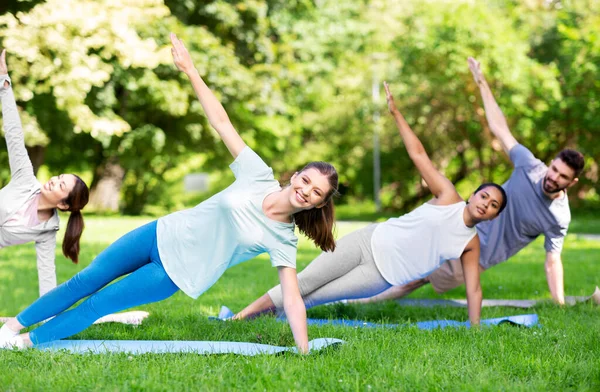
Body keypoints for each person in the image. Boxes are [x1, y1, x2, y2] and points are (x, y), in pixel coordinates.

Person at [0, 34, 339, 353]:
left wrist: (304, 348)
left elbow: (292, 298)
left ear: (321, 203)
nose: (306, 191)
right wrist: (191, 71)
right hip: (157, 233)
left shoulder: (283, 238)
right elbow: (222, 123)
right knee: (83, 281)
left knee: (99, 303)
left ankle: (28, 343)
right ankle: (12, 327)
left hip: (173, 272)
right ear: (295, 175)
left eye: (316, 192)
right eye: (306, 180)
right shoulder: (258, 174)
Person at [233, 82, 507, 326]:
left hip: (380, 275)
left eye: (494, 204)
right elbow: (418, 154)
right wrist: (396, 114)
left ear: (493, 216)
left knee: (313, 298)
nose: (486, 204)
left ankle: (264, 322)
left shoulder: (470, 244)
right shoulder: (448, 196)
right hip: (368, 240)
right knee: (303, 282)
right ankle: (240, 320)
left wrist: (475, 328)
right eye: (484, 196)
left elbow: (474, 289)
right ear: (473, 195)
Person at [351, 57, 584, 306]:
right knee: (402, 256)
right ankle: (349, 296)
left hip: (478, 254)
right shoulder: (530, 166)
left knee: (415, 279)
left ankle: (354, 304)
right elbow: (499, 127)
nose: (554, 177)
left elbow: (552, 259)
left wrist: (559, 302)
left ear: (572, 182)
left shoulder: (558, 217)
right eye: (555, 170)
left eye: (563, 177)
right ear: (551, 163)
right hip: (459, 221)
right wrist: (481, 81)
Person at [0, 49, 89, 297]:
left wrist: (47, 318)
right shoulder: (25, 179)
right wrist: (4, 85)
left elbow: (46, 274)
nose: (53, 181)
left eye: (60, 186)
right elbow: (15, 136)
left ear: (62, 205)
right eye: (59, 177)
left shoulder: (47, 231)